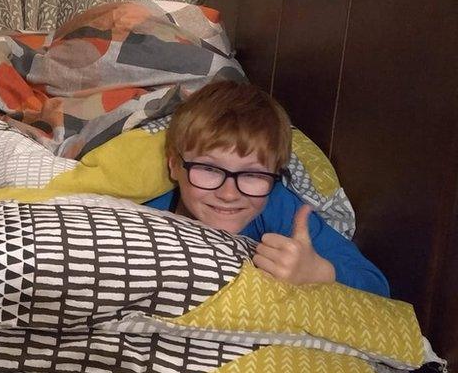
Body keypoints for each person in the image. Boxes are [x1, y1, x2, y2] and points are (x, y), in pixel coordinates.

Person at [145, 80, 390, 297]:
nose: (229, 194)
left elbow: (377, 286)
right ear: (174, 165)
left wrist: (319, 272)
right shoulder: (148, 210)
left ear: (274, 174)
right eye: (209, 169)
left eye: (252, 174)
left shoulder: (279, 208)